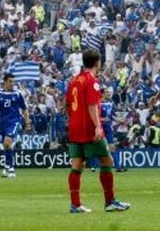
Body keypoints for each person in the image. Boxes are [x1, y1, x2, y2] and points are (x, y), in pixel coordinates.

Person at [65, 49, 130, 214]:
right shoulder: (92, 80)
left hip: (74, 126)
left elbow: (67, 106)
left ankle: (75, 204)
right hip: (88, 127)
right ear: (97, 63)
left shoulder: (73, 81)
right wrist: (98, 126)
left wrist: (73, 121)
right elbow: (92, 105)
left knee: (77, 163)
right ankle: (110, 201)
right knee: (107, 161)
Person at [0, 73, 30, 178]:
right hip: (3, 122)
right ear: (5, 82)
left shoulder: (18, 93)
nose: (12, 84)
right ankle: (7, 167)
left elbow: (25, 109)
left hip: (15, 121)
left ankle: (11, 168)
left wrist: (27, 122)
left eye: (13, 81)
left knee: (7, 141)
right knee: (5, 145)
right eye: (10, 81)